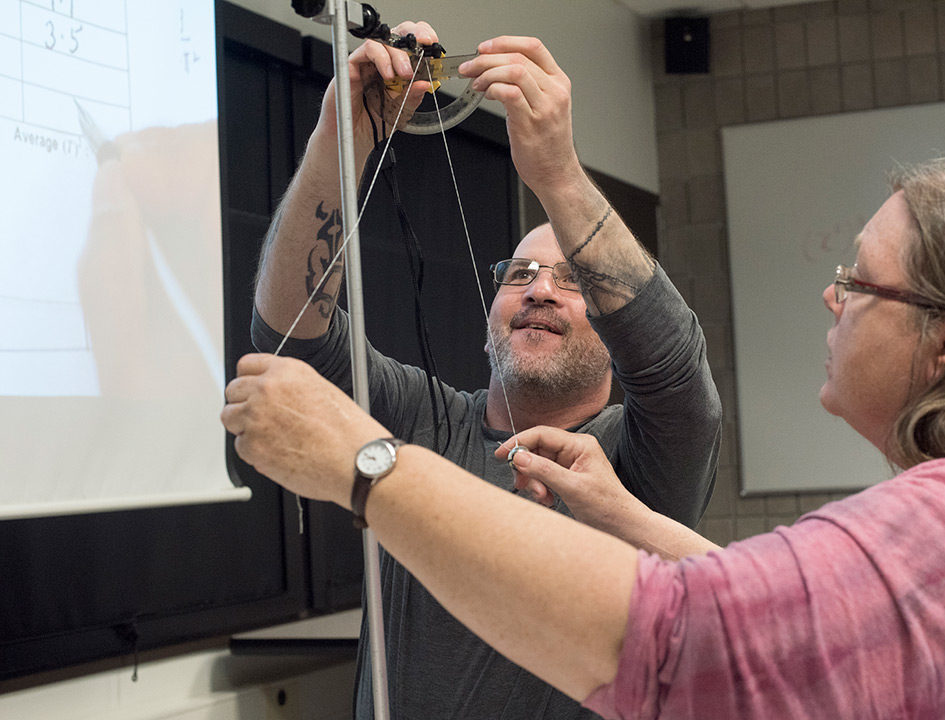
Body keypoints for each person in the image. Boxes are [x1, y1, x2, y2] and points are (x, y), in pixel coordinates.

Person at [224, 155, 945, 718]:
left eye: (858, 280)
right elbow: (769, 609)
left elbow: (704, 631)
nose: (540, 290)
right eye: (520, 274)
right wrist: (346, 126)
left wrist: (366, 466)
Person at [249, 22, 722, 720]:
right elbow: (288, 336)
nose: (538, 290)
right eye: (521, 274)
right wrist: (341, 143)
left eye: (573, 282)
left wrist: (558, 174)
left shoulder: (637, 457)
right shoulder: (420, 418)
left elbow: (677, 371)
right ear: (489, 311)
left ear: (619, 331)